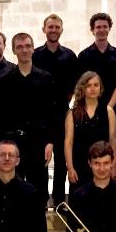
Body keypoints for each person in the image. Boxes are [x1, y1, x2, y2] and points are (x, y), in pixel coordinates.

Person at [0, 32, 55, 232]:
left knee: (38, 196)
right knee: (13, 196)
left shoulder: (46, 77)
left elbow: (52, 112)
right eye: (19, 46)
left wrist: (50, 141)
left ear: (32, 48)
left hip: (38, 144)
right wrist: (3, 147)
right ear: (14, 50)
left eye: (28, 46)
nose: (24, 49)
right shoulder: (5, 80)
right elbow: (1, 116)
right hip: (13, 145)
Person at [33, 14, 79, 205]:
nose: (53, 30)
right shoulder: (35, 54)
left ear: (61, 29)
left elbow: (75, 83)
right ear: (44, 29)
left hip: (62, 111)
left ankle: (60, 200)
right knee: (39, 158)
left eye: (56, 27)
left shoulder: (69, 56)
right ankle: (41, 200)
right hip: (40, 114)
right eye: (50, 27)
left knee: (61, 158)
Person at [64, 71, 116, 194]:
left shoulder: (108, 112)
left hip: (102, 166)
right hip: (79, 166)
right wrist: (70, 168)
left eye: (96, 85)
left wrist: (113, 166)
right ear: (82, 88)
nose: (92, 89)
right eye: (88, 85)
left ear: (101, 88)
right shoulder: (72, 113)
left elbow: (113, 140)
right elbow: (68, 142)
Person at [77, 13, 116, 120]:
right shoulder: (83, 56)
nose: (102, 30)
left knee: (112, 137)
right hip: (88, 108)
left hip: (112, 107)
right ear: (92, 30)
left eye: (105, 26)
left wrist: (109, 107)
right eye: (98, 27)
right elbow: (81, 85)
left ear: (109, 29)